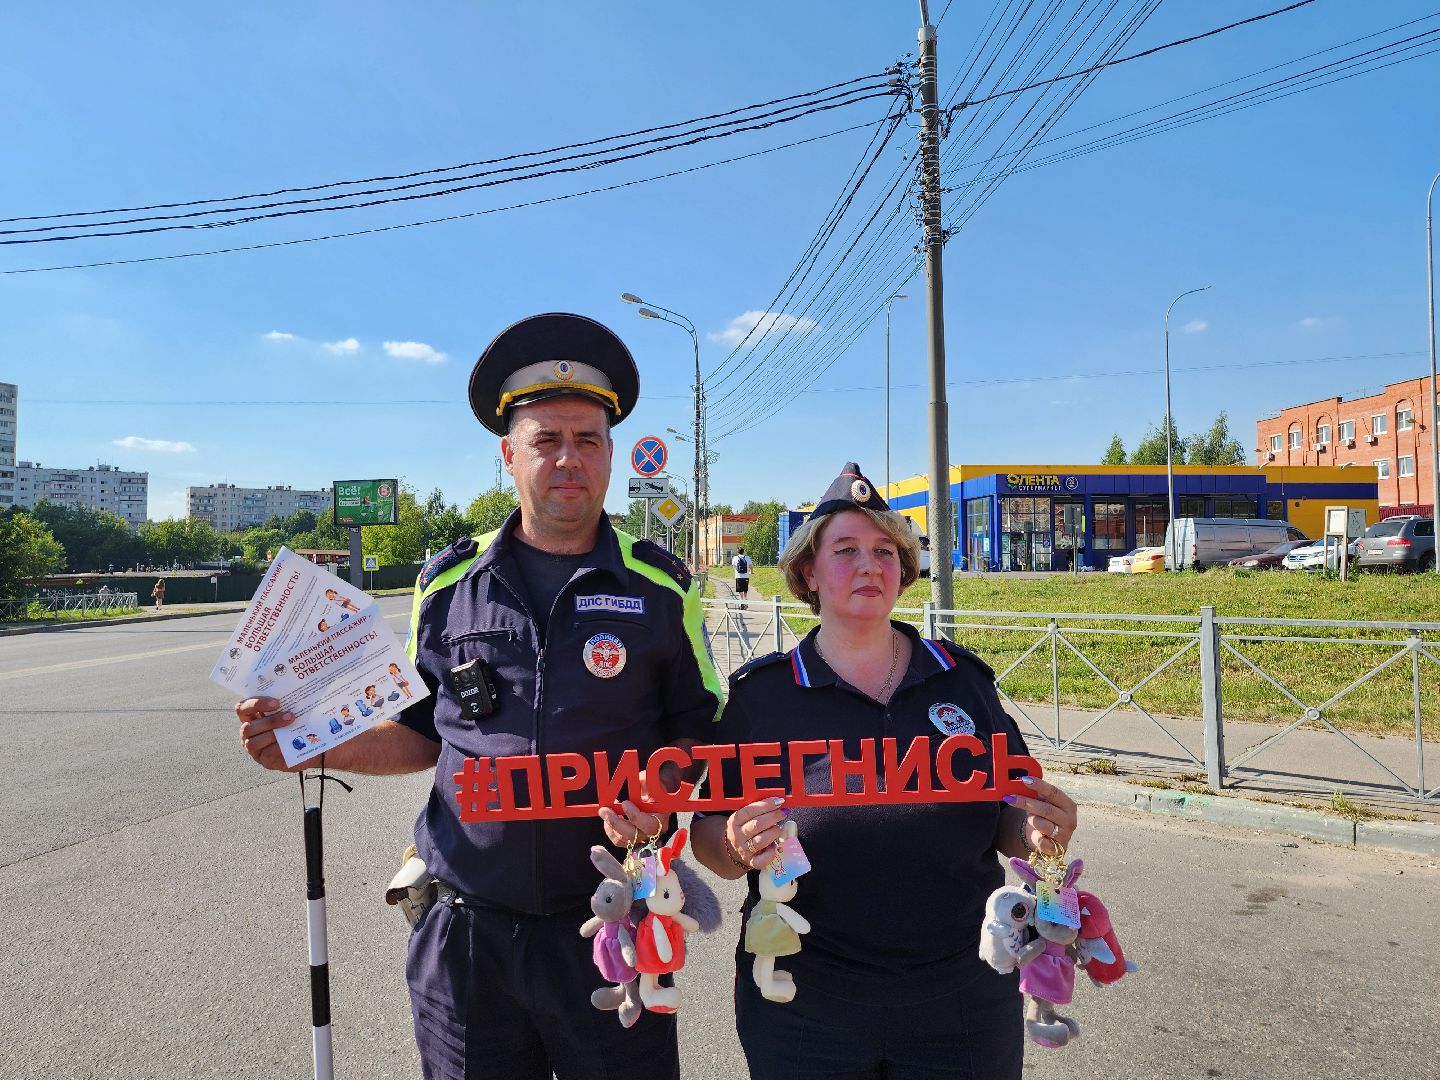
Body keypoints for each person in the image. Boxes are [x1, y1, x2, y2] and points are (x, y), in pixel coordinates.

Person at [235, 312, 723, 1080]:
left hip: (608, 928)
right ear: (508, 455)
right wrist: (311, 742)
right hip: (465, 938)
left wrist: (660, 799)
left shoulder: (662, 587)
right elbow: (422, 731)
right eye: (546, 440)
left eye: (588, 439)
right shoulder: (447, 584)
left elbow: (702, 735)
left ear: (611, 453)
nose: (569, 459)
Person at [691, 462, 1078, 1080]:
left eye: (884, 550)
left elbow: (1010, 808)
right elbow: (706, 836)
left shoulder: (960, 681)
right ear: (808, 574)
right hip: (806, 1000)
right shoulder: (763, 697)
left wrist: (1038, 828)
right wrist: (737, 846)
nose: (868, 565)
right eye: (844, 551)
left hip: (965, 994)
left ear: (904, 569)